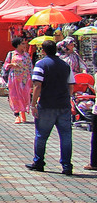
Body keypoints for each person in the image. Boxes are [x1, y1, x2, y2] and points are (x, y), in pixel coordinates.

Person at [26, 39, 75, 175]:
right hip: (63, 105)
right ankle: (67, 166)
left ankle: (39, 162)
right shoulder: (65, 66)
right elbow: (71, 84)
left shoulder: (41, 65)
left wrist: (33, 104)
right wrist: (67, 97)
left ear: (43, 50)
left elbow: (37, 85)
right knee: (66, 136)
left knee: (41, 135)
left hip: (47, 104)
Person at [1, 37, 33, 124]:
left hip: (25, 78)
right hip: (14, 78)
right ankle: (17, 114)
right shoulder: (11, 54)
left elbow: (30, 66)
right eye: (22, 43)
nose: (25, 45)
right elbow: (5, 65)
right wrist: (11, 65)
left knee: (25, 95)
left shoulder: (26, 55)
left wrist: (32, 78)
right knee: (15, 96)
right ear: (18, 45)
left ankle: (23, 113)